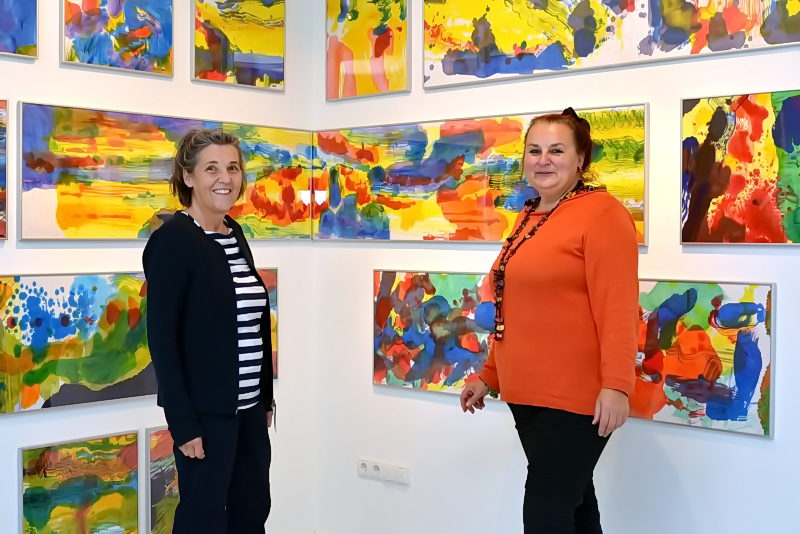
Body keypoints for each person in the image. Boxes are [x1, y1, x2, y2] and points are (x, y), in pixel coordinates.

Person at [460, 107, 639, 534]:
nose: (544, 160)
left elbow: (618, 306)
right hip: (526, 395)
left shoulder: (603, 214)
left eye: (557, 150)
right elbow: (511, 307)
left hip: (574, 399)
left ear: (581, 159)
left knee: (546, 514)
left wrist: (617, 385)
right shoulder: (529, 216)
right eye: (535, 150)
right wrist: (489, 375)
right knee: (575, 509)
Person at [143, 129, 274, 534]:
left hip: (249, 411)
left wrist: (265, 397)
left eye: (232, 168)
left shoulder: (234, 234)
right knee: (204, 520)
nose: (225, 178)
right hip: (206, 416)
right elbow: (162, 340)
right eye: (211, 168)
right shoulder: (173, 241)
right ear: (188, 177)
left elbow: (251, 324)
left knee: (252, 511)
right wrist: (183, 423)